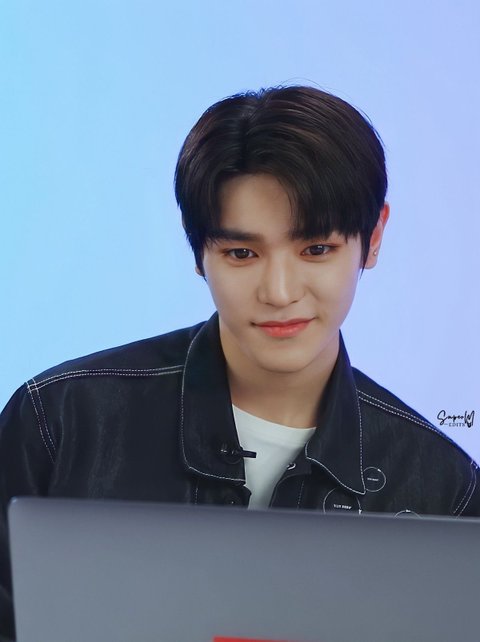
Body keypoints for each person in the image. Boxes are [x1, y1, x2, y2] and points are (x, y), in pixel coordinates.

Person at [0, 85, 479, 641]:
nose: (279, 292)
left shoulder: (443, 489)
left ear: (372, 239)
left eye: (316, 249)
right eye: (242, 253)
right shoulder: (60, 422)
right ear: (199, 253)